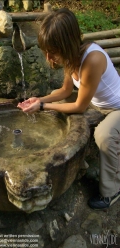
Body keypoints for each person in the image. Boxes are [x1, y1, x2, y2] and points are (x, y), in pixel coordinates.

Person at [17, 8, 120, 210]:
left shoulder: (92, 59)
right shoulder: (72, 56)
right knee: (59, 116)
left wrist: (43, 107)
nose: (48, 58)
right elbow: (65, 91)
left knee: (104, 135)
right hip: (96, 103)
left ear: (67, 44)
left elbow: (79, 106)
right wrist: (38, 99)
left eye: (52, 52)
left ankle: (112, 191)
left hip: (116, 108)